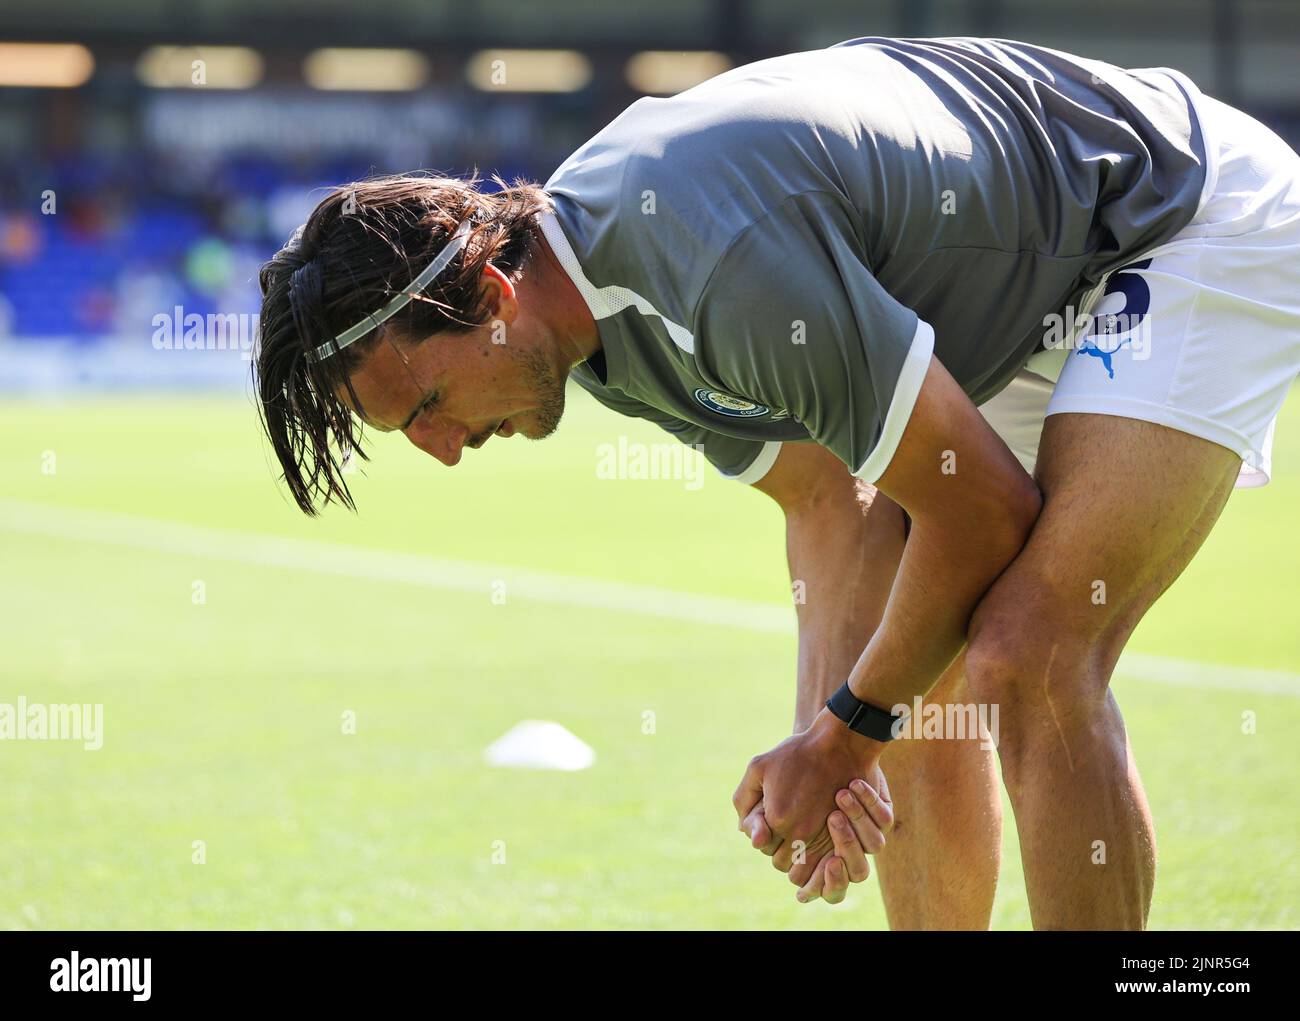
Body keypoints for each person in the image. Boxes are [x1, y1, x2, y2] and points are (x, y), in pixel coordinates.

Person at [254, 37, 1300, 928]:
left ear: (489, 293)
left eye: (426, 405)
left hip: (1177, 210)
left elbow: (979, 511)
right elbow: (824, 504)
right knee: (918, 680)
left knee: (1027, 650)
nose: (438, 450)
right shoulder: (589, 332)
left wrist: (842, 734)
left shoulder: (702, 264)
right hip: (1027, 290)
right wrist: (831, 736)